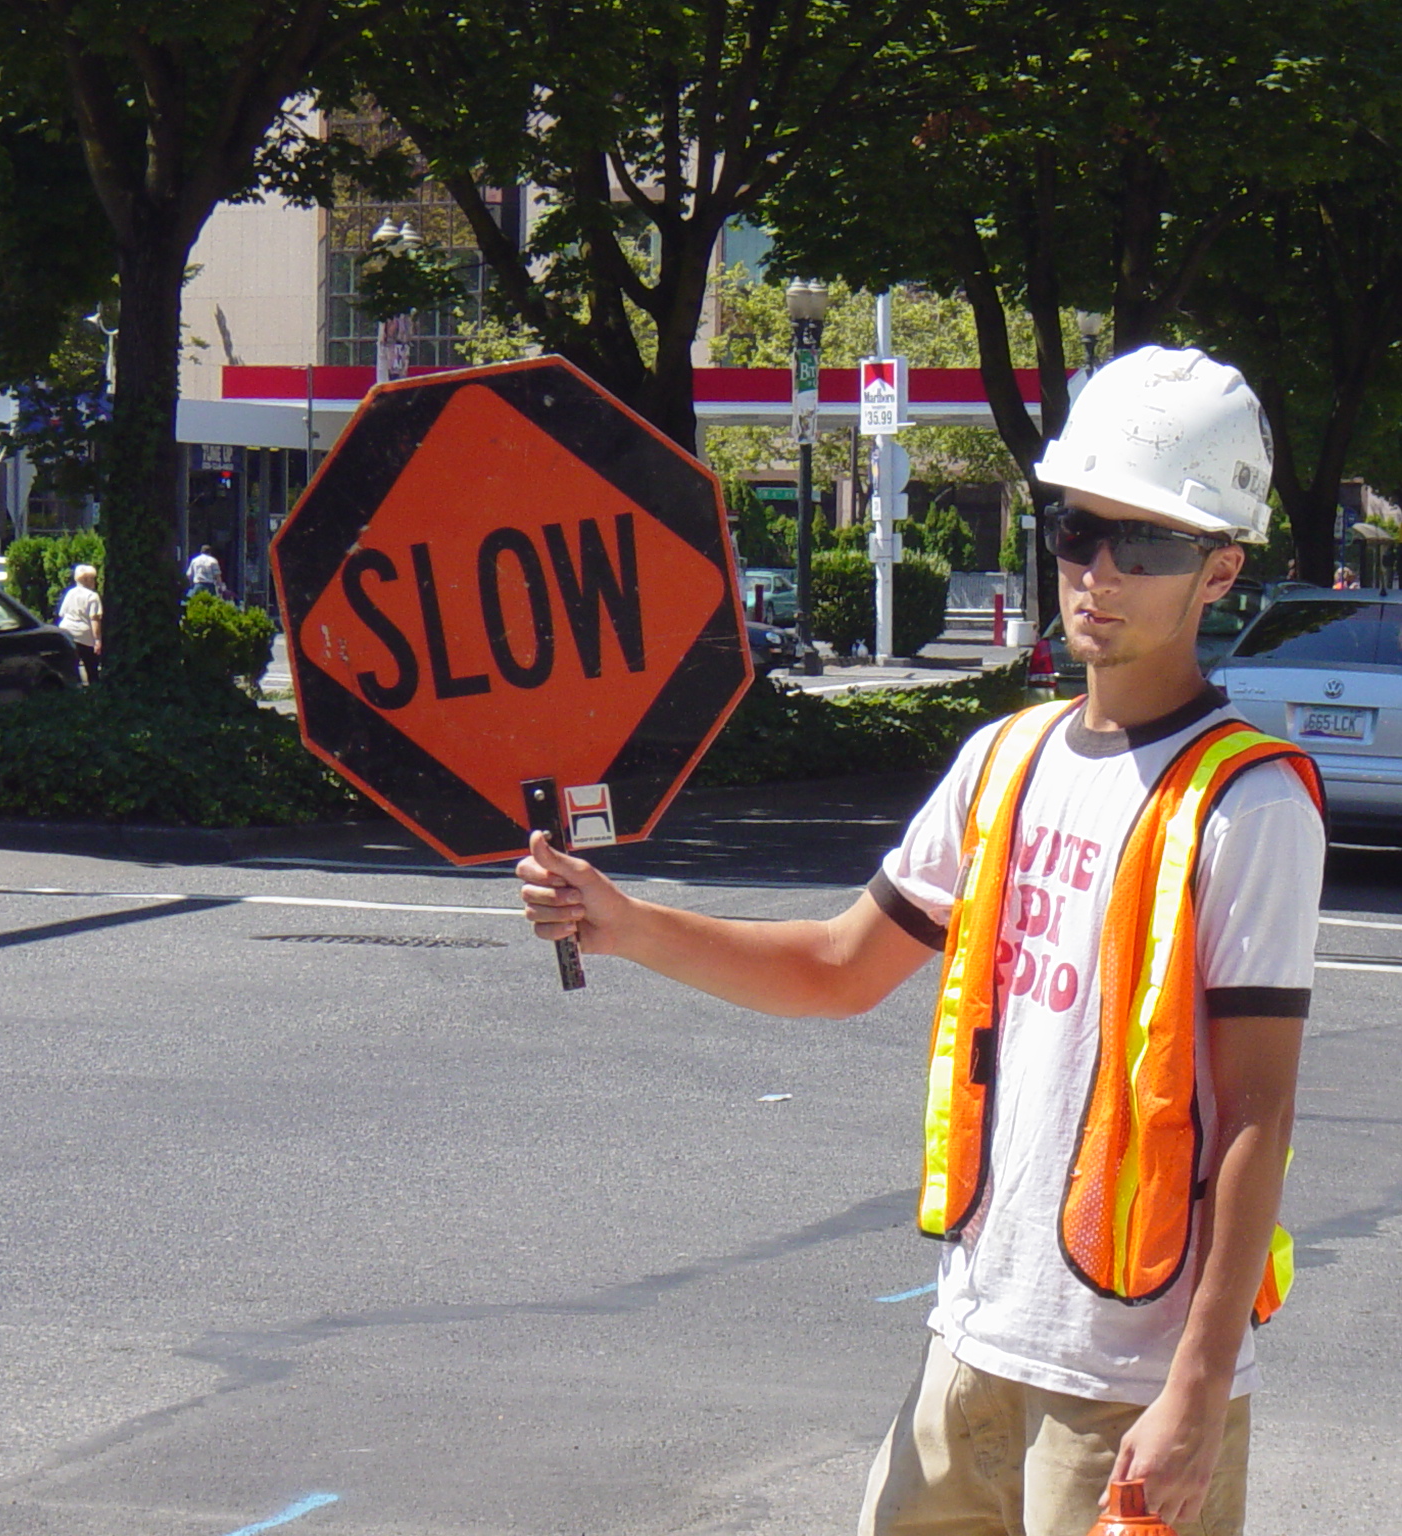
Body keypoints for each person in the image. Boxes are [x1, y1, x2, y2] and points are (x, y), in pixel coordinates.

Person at [518, 346, 1327, 1536]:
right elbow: (839, 968)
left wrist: (1196, 1391)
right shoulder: (1002, 761)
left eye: (1145, 544)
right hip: (970, 1346)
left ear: (1219, 569)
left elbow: (1257, 1113)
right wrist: (627, 924)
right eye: (1077, 529)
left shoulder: (1246, 803)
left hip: (1129, 1386)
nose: (1098, 571)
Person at [55, 564, 102, 683]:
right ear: (86, 580)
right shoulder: (92, 596)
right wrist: (97, 640)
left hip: (67, 633)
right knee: (91, 669)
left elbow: (62, 613)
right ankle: (94, 691)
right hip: (84, 636)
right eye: (92, 578)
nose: (94, 581)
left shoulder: (70, 593)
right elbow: (94, 619)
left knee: (70, 669)